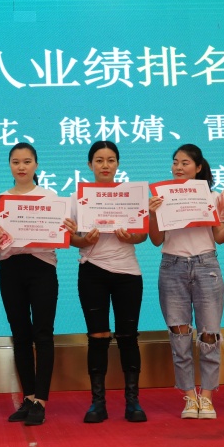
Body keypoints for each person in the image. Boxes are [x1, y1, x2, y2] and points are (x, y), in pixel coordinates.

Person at [148, 144, 224, 420]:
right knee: (179, 335)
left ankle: (207, 397)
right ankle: (189, 396)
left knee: (209, 334)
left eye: (185, 163)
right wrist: (153, 214)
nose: (178, 167)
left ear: (198, 167)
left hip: (205, 265)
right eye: (175, 162)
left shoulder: (211, 197)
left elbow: (219, 237)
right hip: (172, 265)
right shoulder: (161, 197)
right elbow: (156, 240)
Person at [0, 143, 76, 426]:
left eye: (27, 161)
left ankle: (41, 400)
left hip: (42, 268)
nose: (21, 167)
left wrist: (66, 231)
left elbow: (61, 238)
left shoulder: (51, 198)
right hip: (10, 268)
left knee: (43, 333)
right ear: (9, 166)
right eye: (16, 162)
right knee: (20, 334)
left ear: (36, 164)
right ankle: (28, 397)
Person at [70, 140, 148, 423]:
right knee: (97, 337)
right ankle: (97, 403)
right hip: (92, 272)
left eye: (111, 160)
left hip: (128, 272)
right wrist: (84, 240)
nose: (105, 165)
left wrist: (131, 237)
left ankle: (133, 402)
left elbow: (143, 235)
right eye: (99, 160)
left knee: (129, 337)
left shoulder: (131, 195)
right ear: (90, 164)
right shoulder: (77, 198)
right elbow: (71, 238)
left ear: (118, 164)